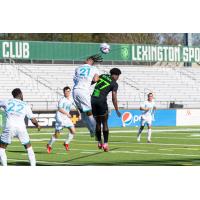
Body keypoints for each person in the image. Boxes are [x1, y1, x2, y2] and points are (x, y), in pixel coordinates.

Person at [0, 88, 40, 166]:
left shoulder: (7, 101)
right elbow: (33, 119)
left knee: (1, 148)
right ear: (21, 94)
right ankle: (33, 166)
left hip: (9, 127)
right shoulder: (25, 105)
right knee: (28, 147)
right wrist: (37, 125)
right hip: (21, 128)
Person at [91, 68, 122, 152]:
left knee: (98, 122)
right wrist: (116, 109)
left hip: (93, 100)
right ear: (115, 75)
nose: (118, 78)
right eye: (118, 76)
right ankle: (105, 144)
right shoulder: (114, 83)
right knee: (104, 122)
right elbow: (114, 98)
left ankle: (99, 142)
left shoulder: (103, 75)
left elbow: (92, 82)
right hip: (101, 101)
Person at [72, 54, 103, 137]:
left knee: (83, 114)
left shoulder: (78, 68)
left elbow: (76, 79)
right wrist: (98, 79)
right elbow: (95, 79)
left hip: (75, 91)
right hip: (83, 91)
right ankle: (97, 131)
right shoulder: (94, 68)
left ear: (89, 60)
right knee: (90, 112)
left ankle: (91, 130)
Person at [47, 86, 81, 153]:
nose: (67, 93)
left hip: (66, 117)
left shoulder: (71, 99)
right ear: (64, 92)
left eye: (68, 91)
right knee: (57, 134)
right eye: (66, 91)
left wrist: (79, 114)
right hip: (60, 117)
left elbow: (77, 107)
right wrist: (67, 114)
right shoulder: (62, 100)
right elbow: (60, 109)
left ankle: (66, 143)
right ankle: (49, 145)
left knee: (73, 131)